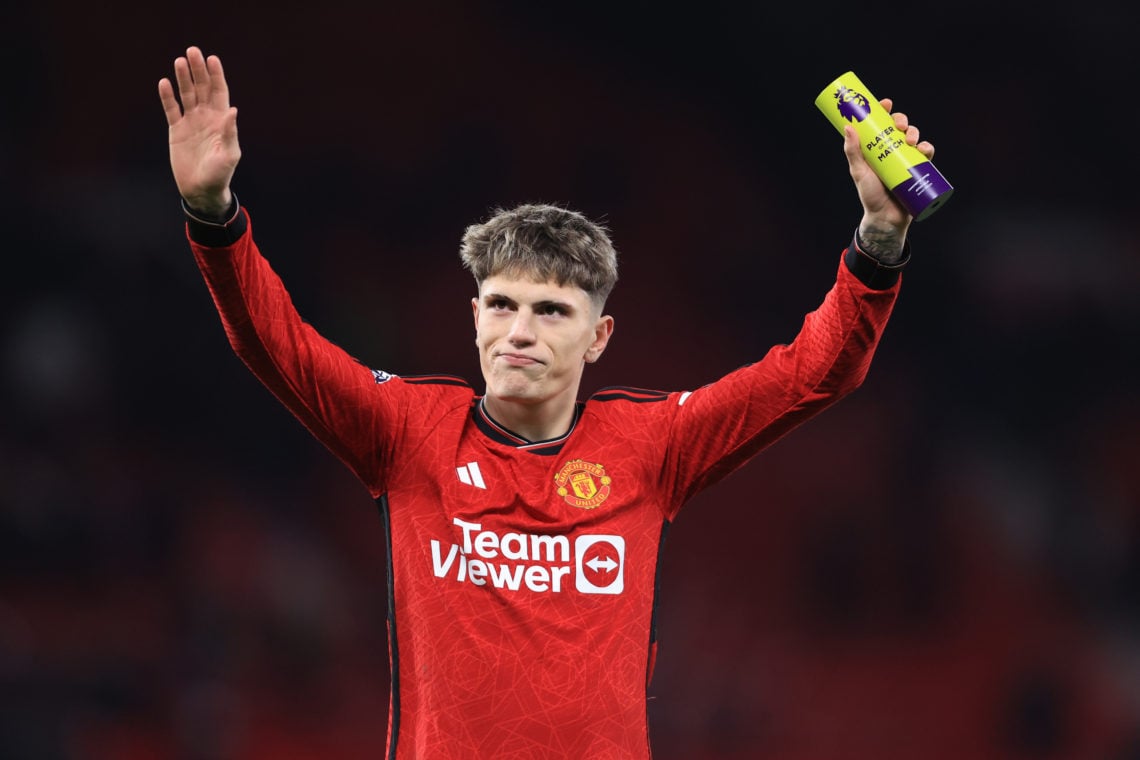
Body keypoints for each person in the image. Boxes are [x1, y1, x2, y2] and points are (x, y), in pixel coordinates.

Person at [159, 45, 935, 759]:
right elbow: (273, 342)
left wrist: (880, 235)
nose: (518, 332)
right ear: (473, 318)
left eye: (551, 311)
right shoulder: (408, 431)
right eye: (500, 305)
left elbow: (812, 374)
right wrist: (213, 214)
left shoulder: (652, 444)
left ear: (599, 337)